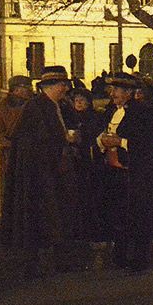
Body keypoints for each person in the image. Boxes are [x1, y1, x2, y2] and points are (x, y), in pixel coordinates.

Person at [2, 67, 70, 272]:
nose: (65, 89)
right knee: (36, 215)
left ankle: (54, 259)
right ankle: (34, 262)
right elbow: (31, 140)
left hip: (51, 169)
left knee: (53, 214)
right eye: (62, 85)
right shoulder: (37, 108)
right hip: (38, 173)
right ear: (51, 87)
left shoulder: (55, 106)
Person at [96, 72, 153, 272]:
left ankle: (139, 259)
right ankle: (120, 256)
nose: (113, 93)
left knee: (137, 215)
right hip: (113, 171)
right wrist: (101, 141)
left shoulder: (143, 113)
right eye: (112, 89)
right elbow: (103, 135)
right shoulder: (110, 112)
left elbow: (147, 143)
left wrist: (121, 142)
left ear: (128, 92)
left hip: (134, 172)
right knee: (118, 215)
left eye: (117, 90)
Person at [59, 88, 107, 247]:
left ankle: (92, 230)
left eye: (82, 100)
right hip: (75, 160)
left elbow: (96, 134)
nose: (79, 103)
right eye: (76, 100)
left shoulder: (94, 116)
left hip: (91, 160)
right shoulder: (69, 117)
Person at [0, 75, 33, 146]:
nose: (30, 91)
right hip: (10, 150)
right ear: (16, 90)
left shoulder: (32, 104)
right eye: (27, 88)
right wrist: (12, 145)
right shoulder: (1, 107)